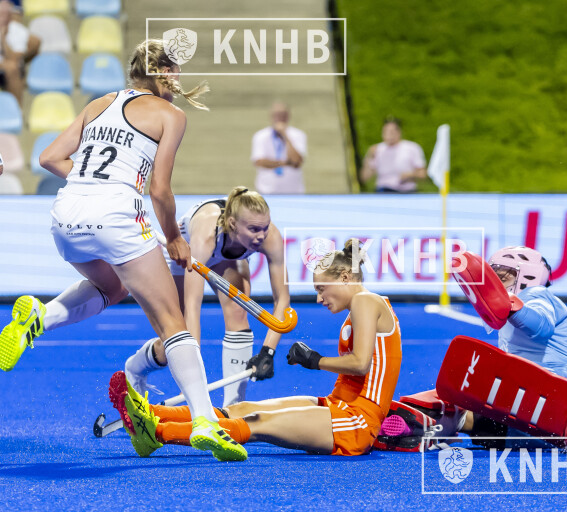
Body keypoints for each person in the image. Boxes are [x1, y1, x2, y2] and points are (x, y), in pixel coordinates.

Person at [0, 39, 247, 462]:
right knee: (173, 324)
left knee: (111, 287)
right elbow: (160, 190)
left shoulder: (98, 103)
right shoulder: (171, 115)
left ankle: (39, 317)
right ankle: (206, 421)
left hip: (66, 214)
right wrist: (174, 238)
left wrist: (96, 186)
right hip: (116, 215)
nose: (179, 80)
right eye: (176, 72)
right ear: (162, 73)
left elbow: (49, 157)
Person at [111, 238, 403, 457]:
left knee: (257, 422)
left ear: (345, 278)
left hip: (357, 423)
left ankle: (156, 431)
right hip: (339, 405)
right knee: (241, 408)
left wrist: (314, 360)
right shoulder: (362, 306)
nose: (319, 299)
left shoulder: (365, 300)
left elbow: (360, 363)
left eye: (321, 289)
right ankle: (148, 412)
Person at [378, 246, 567, 450]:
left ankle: (433, 420)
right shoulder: (516, 322)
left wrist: (513, 307)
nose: (495, 282)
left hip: (549, 388)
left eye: (503, 276)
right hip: (529, 414)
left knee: (465, 394)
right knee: (466, 404)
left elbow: (541, 326)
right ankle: (427, 423)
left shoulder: (537, 294)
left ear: (527, 276)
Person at [124, 185, 290, 407]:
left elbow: (282, 300)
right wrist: (192, 383)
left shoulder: (270, 237)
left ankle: (234, 407)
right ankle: (136, 367)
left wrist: (267, 351)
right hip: (184, 253)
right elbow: (193, 306)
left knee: (238, 312)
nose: (261, 236)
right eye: (253, 229)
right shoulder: (205, 235)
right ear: (233, 224)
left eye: (265, 227)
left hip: (227, 255)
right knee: (177, 332)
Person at [250, 102, 307, 194]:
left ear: (288, 116)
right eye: (277, 115)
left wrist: (285, 136)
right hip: (266, 190)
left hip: (293, 191)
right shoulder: (260, 136)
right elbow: (259, 162)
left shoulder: (298, 135)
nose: (280, 118)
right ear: (271, 116)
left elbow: (296, 161)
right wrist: (285, 163)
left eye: (283, 115)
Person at [360, 116, 426, 193]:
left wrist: (410, 175)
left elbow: (423, 174)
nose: (388, 135)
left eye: (391, 132)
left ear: (399, 132)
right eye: (385, 132)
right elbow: (364, 178)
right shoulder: (377, 150)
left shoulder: (412, 148)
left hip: (407, 192)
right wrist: (369, 157)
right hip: (383, 191)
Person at [0, 0, 40, 104]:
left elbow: (14, 59)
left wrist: (3, 38)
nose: (2, 18)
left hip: (6, 65)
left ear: (11, 16)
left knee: (13, 68)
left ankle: (16, 109)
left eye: (5, 15)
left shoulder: (17, 31)